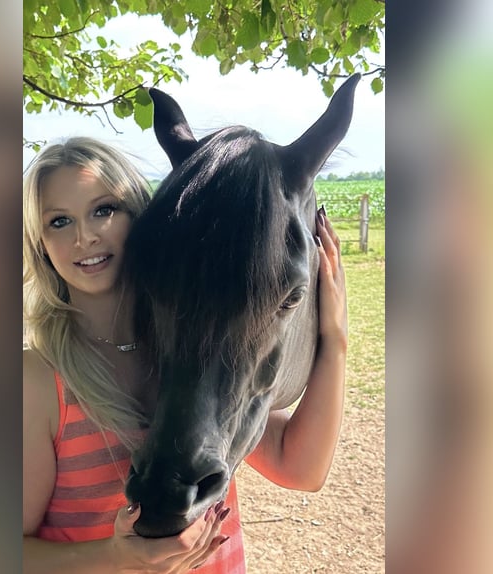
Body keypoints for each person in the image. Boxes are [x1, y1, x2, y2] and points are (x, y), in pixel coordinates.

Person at [23, 137, 348, 573]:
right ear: (39, 243)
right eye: (59, 222)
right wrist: (114, 558)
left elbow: (301, 467)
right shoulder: (38, 381)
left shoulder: (189, 350)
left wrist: (335, 339)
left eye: (104, 210)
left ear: (141, 218)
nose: (85, 236)